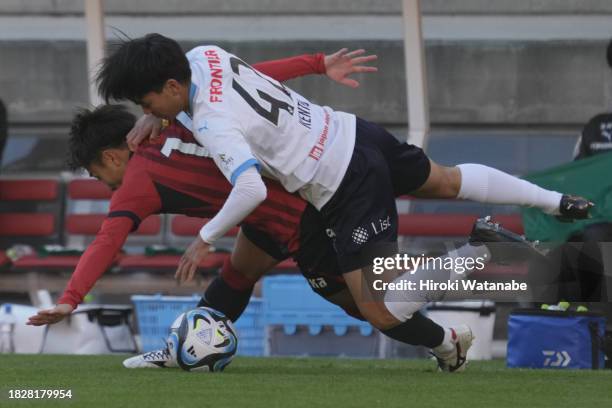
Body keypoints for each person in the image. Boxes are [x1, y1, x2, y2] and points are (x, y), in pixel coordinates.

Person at [96, 33, 593, 336]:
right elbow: (258, 75)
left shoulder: (210, 122)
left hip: (342, 182)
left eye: (147, 104)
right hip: (352, 130)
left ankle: (479, 253)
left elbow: (251, 191)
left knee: (378, 311)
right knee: (446, 179)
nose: (147, 114)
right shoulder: (204, 56)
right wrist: (315, 64)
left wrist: (204, 240)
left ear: (171, 87)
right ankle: (557, 201)